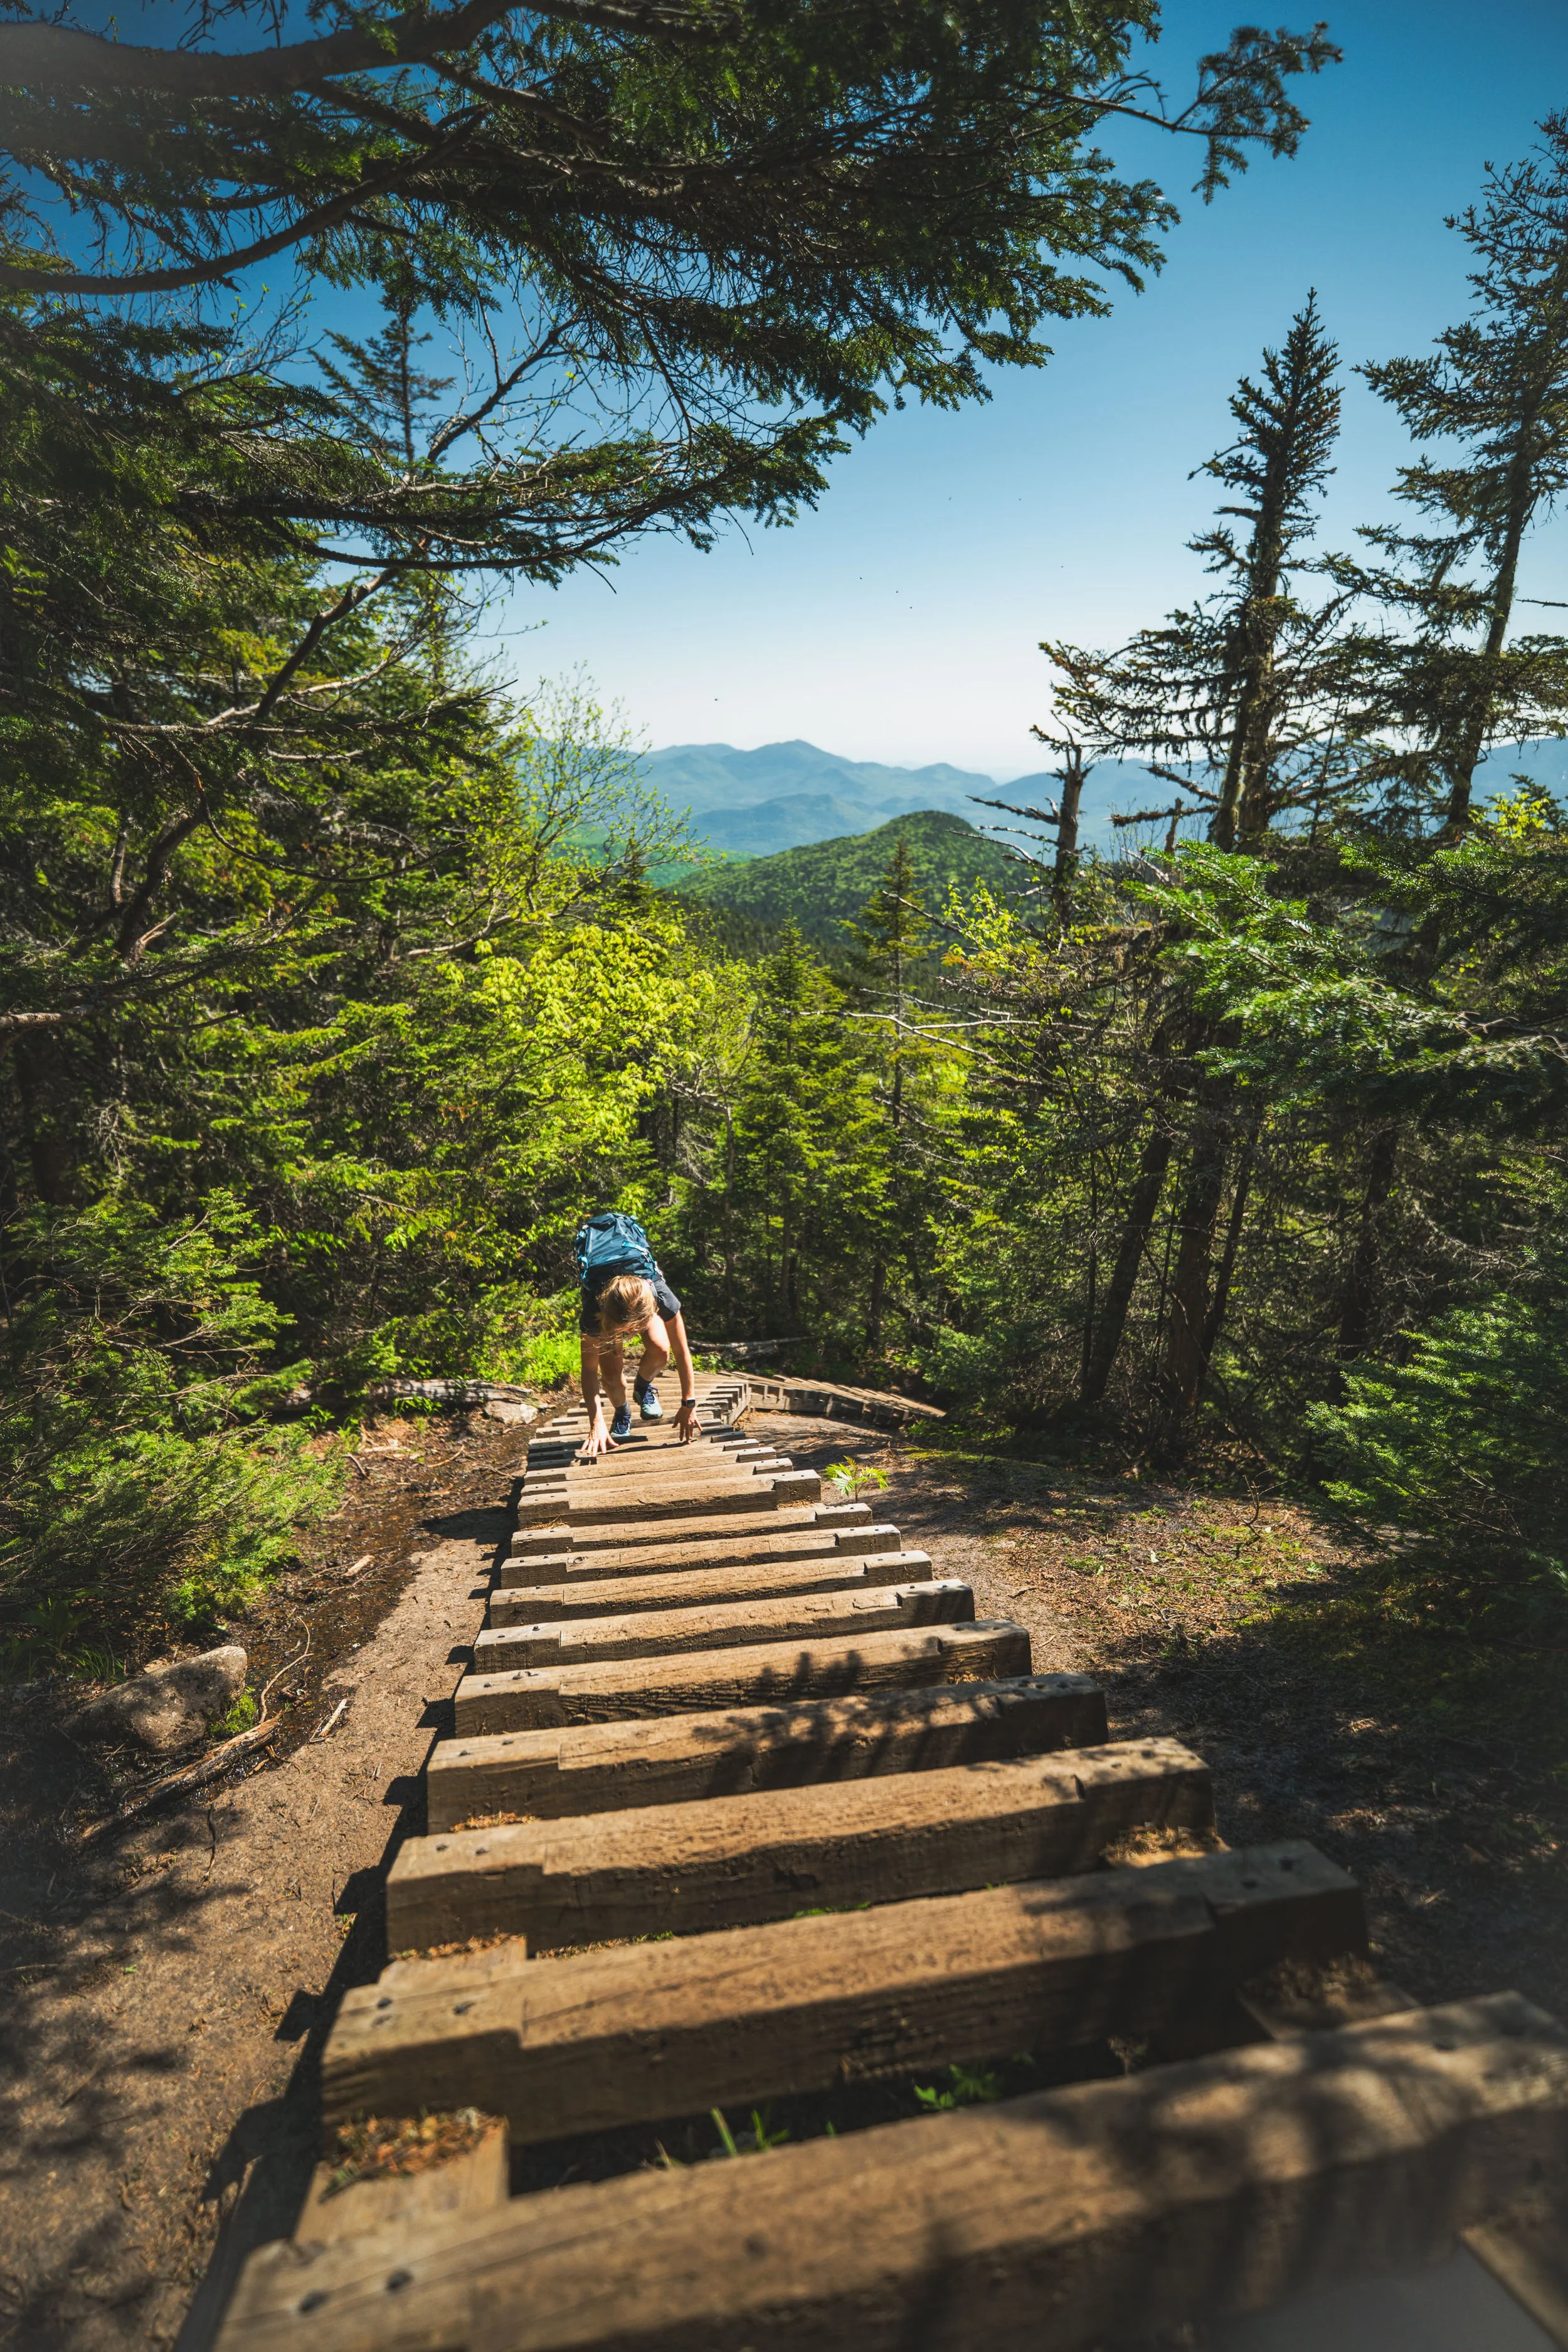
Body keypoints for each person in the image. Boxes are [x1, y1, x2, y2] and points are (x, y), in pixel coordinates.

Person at [574, 1212, 702, 1457]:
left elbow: (681, 1350)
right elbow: (589, 1371)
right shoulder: (595, 1313)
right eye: (628, 1331)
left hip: (637, 1306)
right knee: (612, 1377)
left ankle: (643, 1388)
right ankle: (622, 1411)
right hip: (612, 1314)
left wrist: (689, 1403)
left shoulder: (662, 1297)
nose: (632, 1334)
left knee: (660, 1349)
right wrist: (596, 1422)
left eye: (636, 1327)